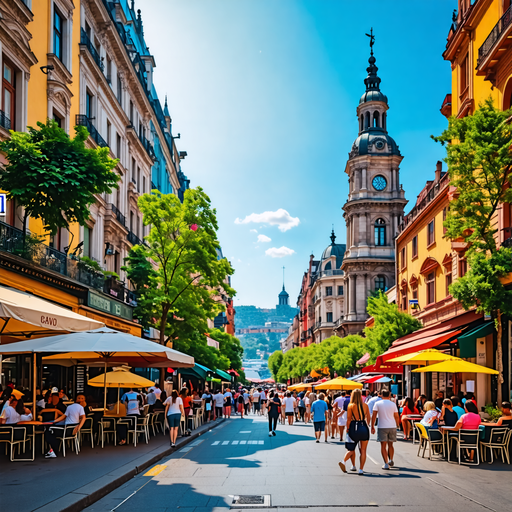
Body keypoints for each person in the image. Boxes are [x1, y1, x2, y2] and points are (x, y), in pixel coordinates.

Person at [339, 388, 370, 475]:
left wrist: (347, 429)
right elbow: (368, 418)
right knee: (363, 450)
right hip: (363, 427)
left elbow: (348, 419)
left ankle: (344, 461)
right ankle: (361, 469)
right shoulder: (366, 405)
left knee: (351, 448)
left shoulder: (351, 405)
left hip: (354, 427)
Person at [371, 388, 400, 469]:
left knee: (383, 446)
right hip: (392, 426)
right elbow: (396, 416)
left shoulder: (377, 403)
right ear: (389, 395)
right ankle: (391, 459)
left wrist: (372, 426)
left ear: (381, 395)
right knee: (391, 444)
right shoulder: (393, 404)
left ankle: (386, 463)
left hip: (382, 426)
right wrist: (397, 424)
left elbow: (374, 415)